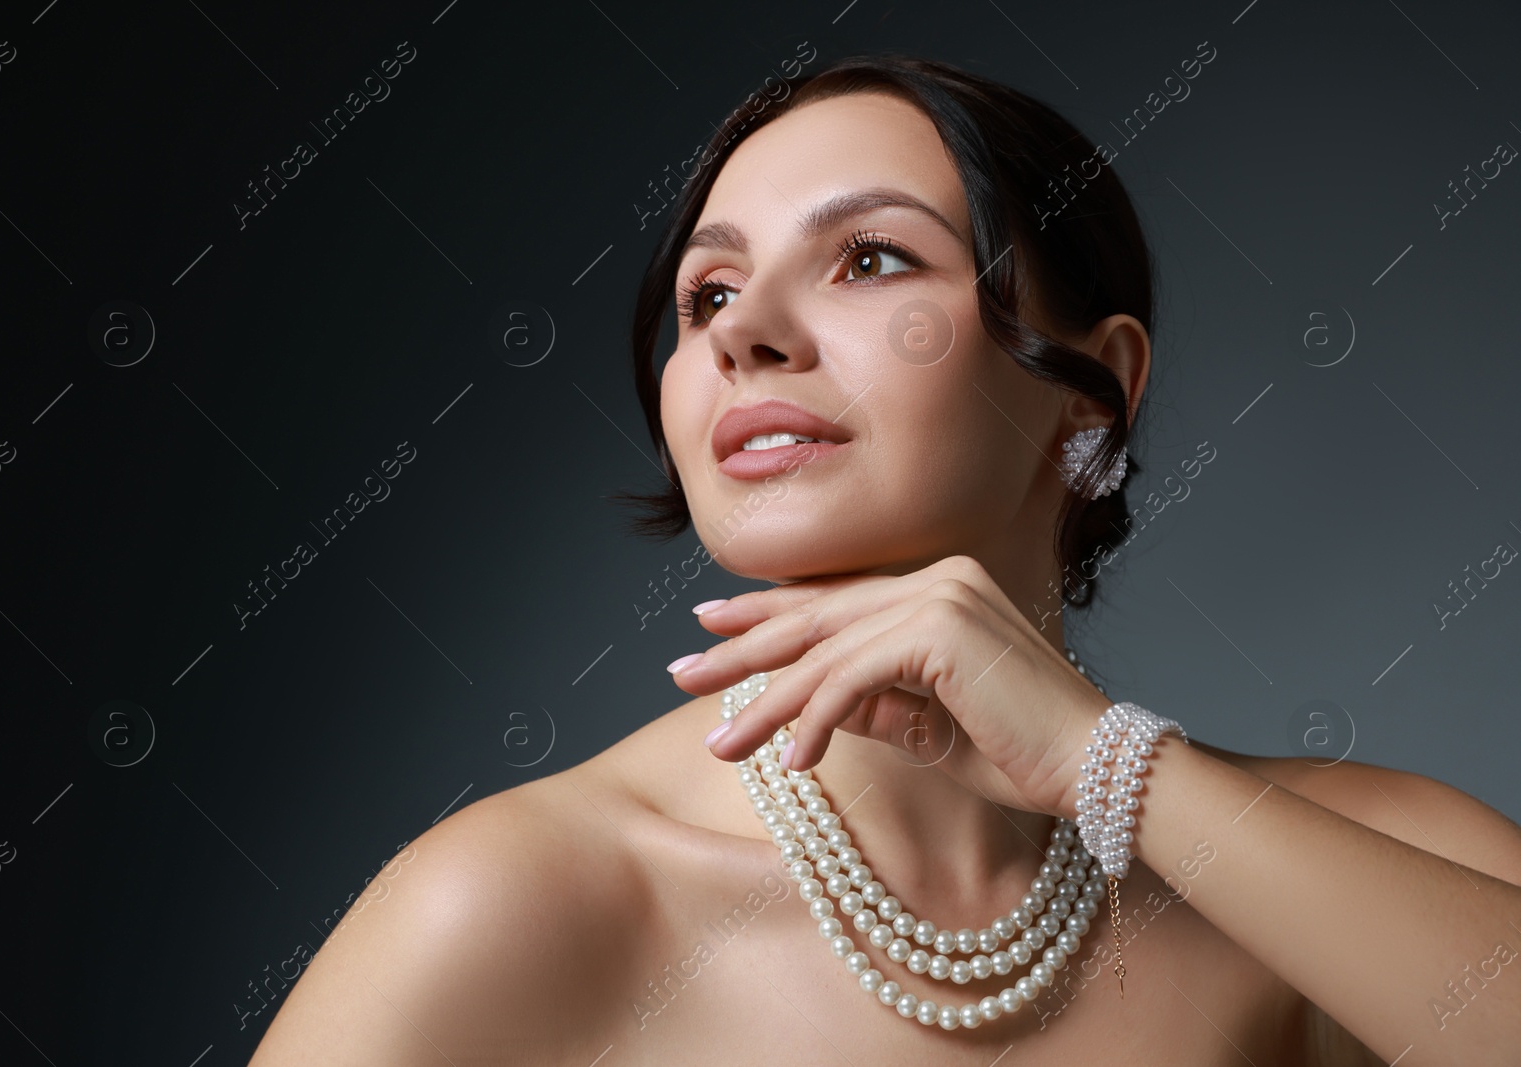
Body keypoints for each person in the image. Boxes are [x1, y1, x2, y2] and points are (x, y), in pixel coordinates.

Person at [246, 55, 1521, 1066]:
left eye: (869, 259)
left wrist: (1104, 765)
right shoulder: (519, 902)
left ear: (1097, 392)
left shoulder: (1352, 868)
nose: (745, 331)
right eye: (706, 294)